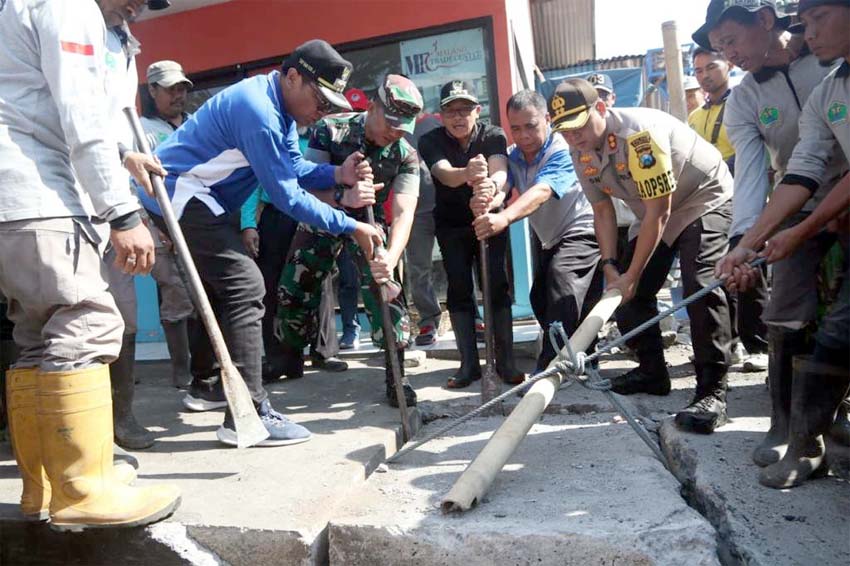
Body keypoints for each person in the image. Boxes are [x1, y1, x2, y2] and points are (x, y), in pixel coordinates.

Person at [137, 39, 382, 446]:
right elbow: (285, 195)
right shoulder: (260, 111)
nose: (322, 112)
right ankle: (247, 413)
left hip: (204, 197)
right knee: (247, 285)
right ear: (291, 77)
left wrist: (339, 175)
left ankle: (210, 387)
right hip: (182, 192)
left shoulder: (277, 109)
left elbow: (293, 166)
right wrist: (349, 225)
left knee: (220, 291)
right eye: (320, 100)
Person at [0, 0, 179, 529]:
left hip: (16, 202)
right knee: (87, 322)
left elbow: (42, 100)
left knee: (37, 337)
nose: (140, 6)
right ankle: (84, 491)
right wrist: (122, 213)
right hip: (44, 195)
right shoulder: (69, 5)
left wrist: (124, 151)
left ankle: (46, 487)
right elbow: (78, 111)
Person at [694, 0, 846, 466]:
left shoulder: (830, 67)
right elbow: (756, 176)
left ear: (765, 21)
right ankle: (785, 424)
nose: (730, 54)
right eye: (720, 47)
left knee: (841, 314)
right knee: (785, 310)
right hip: (795, 202)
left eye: (732, 41)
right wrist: (745, 244)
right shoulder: (745, 99)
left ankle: (828, 418)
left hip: (841, 198)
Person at [551, 78, 734, 434]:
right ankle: (652, 372)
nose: (573, 138)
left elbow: (659, 213)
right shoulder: (580, 149)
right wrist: (611, 267)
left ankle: (712, 392)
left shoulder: (639, 135)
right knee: (622, 289)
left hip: (701, 198)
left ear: (600, 109)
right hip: (651, 212)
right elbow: (602, 211)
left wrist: (631, 275)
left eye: (578, 127)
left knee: (700, 286)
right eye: (565, 131)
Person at [275, 74, 424, 407]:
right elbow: (308, 189)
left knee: (386, 293)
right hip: (324, 216)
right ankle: (287, 357)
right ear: (372, 106)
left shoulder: (406, 154)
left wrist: (390, 258)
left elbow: (404, 212)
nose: (395, 132)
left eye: (404, 127)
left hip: (369, 226)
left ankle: (395, 374)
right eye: (391, 121)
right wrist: (346, 196)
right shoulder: (330, 129)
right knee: (293, 291)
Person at [472, 90, 603, 372]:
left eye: (531, 126)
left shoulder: (562, 149)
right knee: (540, 298)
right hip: (550, 238)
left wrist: (504, 218)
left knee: (561, 288)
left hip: (582, 229)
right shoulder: (514, 156)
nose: (524, 135)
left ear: (547, 119)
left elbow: (542, 191)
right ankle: (585, 358)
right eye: (515, 128)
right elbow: (503, 185)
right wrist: (488, 197)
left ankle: (550, 366)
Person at [418, 81, 524, 388]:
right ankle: (469, 366)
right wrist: (467, 173)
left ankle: (505, 362)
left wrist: (490, 192)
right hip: (452, 225)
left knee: (496, 285)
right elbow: (443, 174)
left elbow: (500, 170)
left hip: (489, 219)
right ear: (441, 115)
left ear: (477, 111)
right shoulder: (430, 140)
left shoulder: (492, 135)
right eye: (450, 110)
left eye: (464, 109)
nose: (458, 116)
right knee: (459, 288)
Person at [688, 46, 770, 372]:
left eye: (711, 66)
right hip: (708, 203)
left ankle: (759, 344)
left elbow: (756, 152)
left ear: (728, 64)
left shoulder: (745, 101)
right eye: (698, 70)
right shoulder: (695, 117)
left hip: (744, 195)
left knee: (749, 268)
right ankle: (729, 343)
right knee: (717, 272)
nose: (705, 75)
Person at [140, 60, 198, 390]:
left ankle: (205, 362)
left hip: (196, 220)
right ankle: (181, 367)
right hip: (160, 221)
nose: (178, 95)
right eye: (170, 89)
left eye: (182, 89)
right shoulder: (142, 129)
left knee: (205, 290)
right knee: (176, 291)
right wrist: (154, 225)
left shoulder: (194, 124)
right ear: (152, 90)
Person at [405, 114, 444, 347]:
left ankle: (473, 317)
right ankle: (429, 320)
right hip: (414, 208)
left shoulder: (439, 121)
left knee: (459, 262)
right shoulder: (396, 127)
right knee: (418, 266)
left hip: (448, 203)